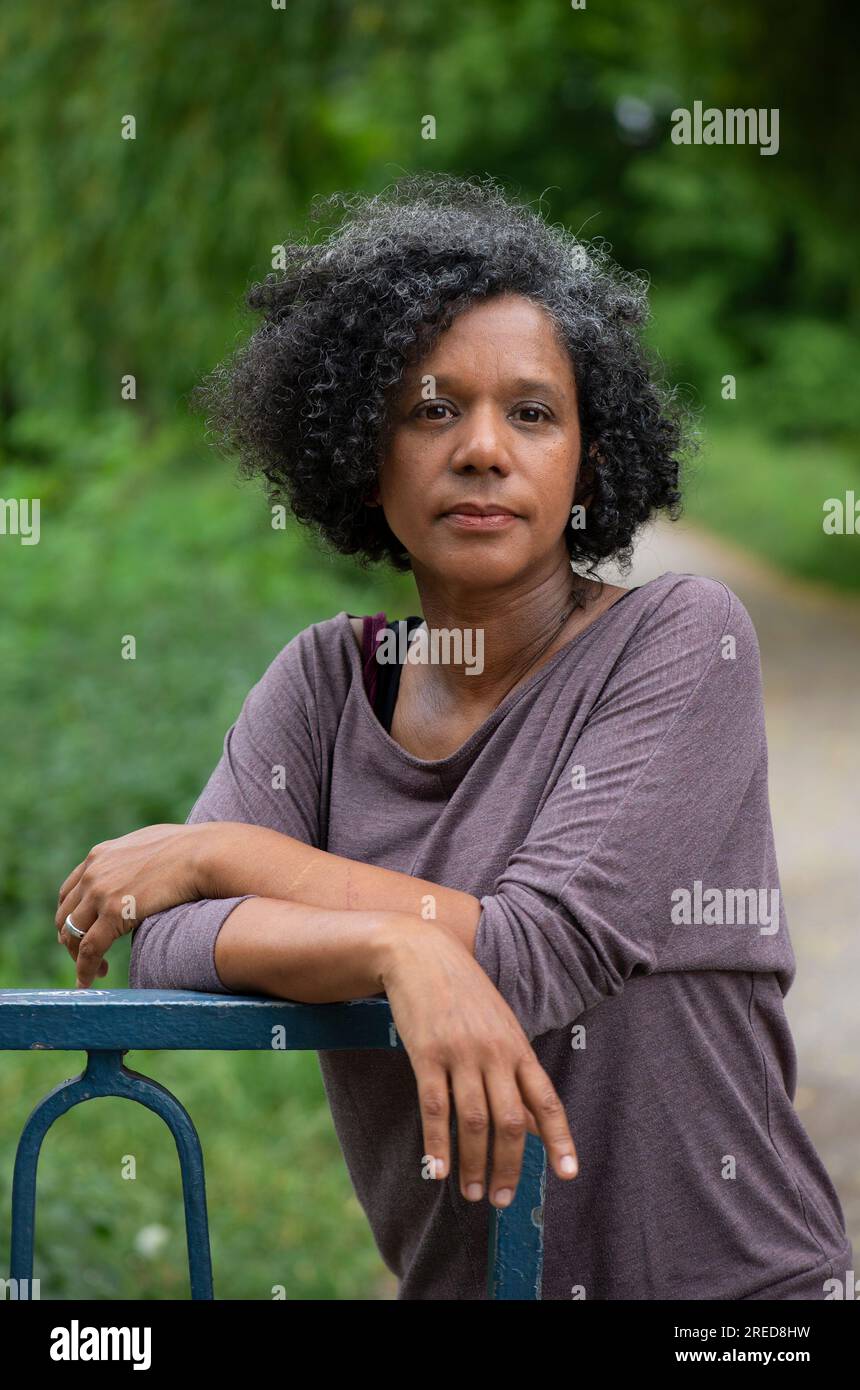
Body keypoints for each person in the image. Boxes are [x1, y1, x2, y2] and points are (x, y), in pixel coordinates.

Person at [55, 174, 852, 1300]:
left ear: (586, 454)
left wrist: (222, 853)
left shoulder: (681, 640)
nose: (483, 448)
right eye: (432, 409)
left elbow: (534, 955)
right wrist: (400, 948)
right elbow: (170, 945)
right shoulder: (324, 685)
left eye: (531, 412)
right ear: (359, 448)